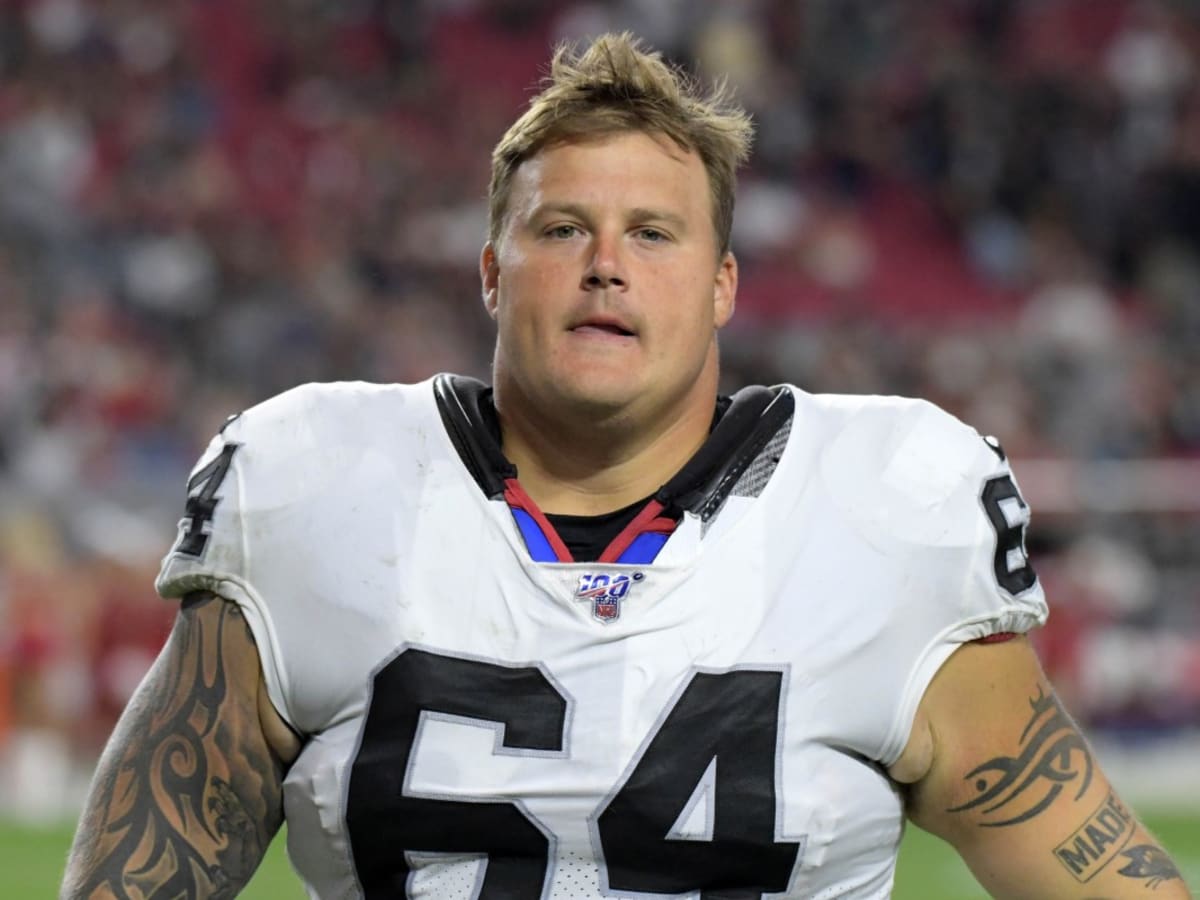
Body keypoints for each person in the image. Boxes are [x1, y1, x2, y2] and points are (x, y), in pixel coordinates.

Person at [61, 32, 1191, 900]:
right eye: (562, 231)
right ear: (493, 273)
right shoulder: (314, 492)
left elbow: (1096, 869)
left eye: (654, 234)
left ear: (722, 288)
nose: (607, 266)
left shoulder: (886, 514)